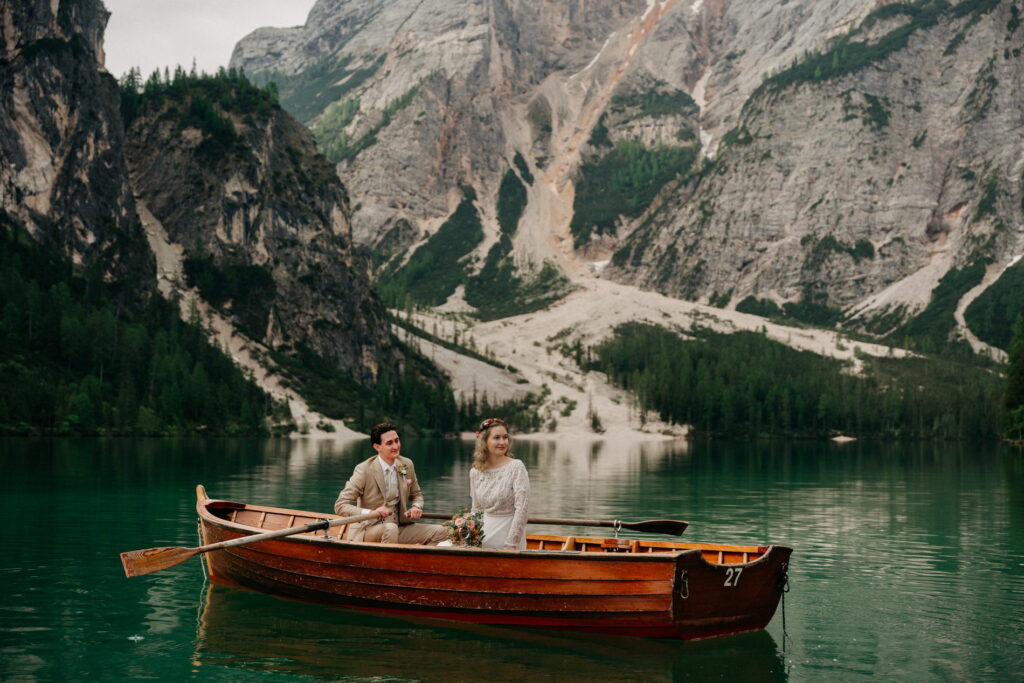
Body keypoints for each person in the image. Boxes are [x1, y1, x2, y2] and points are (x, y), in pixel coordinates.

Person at [334, 422, 447, 544]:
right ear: (377, 447)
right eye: (389, 443)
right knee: (390, 528)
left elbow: (417, 495)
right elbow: (340, 505)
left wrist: (416, 506)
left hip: (400, 526)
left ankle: (416, 561)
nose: (396, 446)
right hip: (368, 529)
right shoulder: (364, 470)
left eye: (397, 441)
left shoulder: (406, 464)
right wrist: (371, 513)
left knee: (443, 531)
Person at [470, 418, 530, 550]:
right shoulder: (475, 472)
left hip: (507, 533)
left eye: (505, 437)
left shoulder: (516, 467)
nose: (502, 442)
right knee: (446, 547)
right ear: (484, 441)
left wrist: (511, 544)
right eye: (496, 438)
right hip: (483, 532)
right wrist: (471, 537)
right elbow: (476, 509)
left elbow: (522, 509)